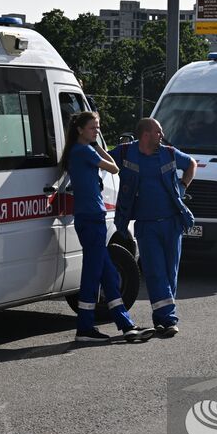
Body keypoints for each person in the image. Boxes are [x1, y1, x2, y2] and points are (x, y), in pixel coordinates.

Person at [61, 112, 145, 344]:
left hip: (89, 217)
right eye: (92, 128)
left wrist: (95, 143)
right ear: (80, 130)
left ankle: (125, 324)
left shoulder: (76, 151)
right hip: (91, 218)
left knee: (108, 272)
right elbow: (115, 168)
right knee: (92, 273)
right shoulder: (84, 151)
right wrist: (98, 147)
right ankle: (85, 328)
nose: (96, 131)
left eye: (97, 128)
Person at [113, 118, 196, 337]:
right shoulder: (124, 153)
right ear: (146, 135)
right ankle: (169, 319)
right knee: (155, 272)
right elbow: (102, 160)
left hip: (172, 223)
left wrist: (183, 185)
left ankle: (161, 318)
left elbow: (191, 164)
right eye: (158, 132)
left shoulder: (169, 153)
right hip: (146, 226)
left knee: (170, 273)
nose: (162, 135)